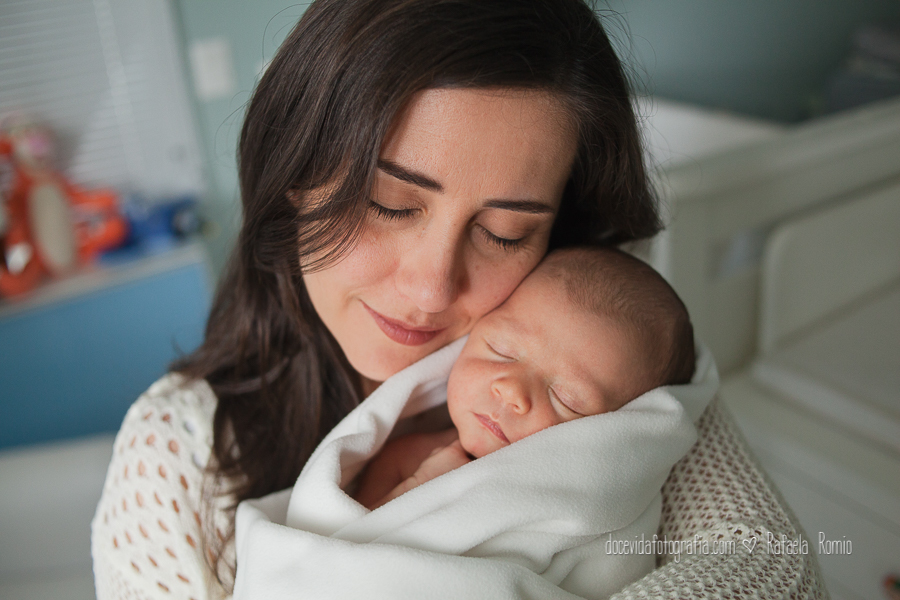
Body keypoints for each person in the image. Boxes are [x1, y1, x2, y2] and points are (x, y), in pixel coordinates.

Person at [91, 1, 827, 598]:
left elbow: (776, 572)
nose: (431, 286)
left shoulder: (613, 365)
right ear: (295, 170)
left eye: (505, 233)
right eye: (387, 203)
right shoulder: (179, 457)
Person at [353, 247, 696, 510]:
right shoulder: (403, 458)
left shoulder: (574, 505)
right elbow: (344, 557)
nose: (511, 390)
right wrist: (420, 485)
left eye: (567, 399)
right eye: (500, 349)